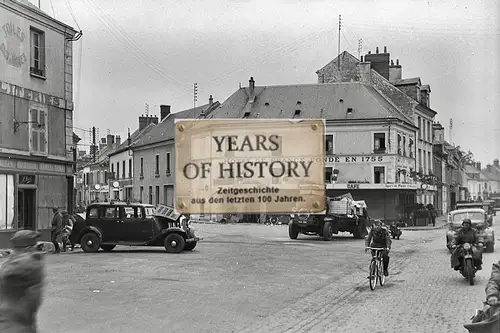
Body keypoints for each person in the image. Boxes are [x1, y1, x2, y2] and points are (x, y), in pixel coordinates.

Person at [0, 230, 46, 332]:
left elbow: (8, 272)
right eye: (34, 245)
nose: (36, 248)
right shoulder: (29, 263)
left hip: (15, 324)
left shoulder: (27, 263)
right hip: (16, 324)